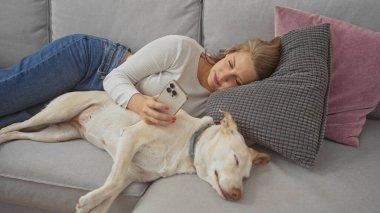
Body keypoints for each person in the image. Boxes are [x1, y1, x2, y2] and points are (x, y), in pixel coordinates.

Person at [0, 34, 281, 128]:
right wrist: (137, 102)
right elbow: (116, 77)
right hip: (92, 61)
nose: (224, 76)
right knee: (6, 95)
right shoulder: (182, 49)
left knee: (14, 119)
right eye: (230, 64)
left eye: (236, 80)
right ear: (230, 52)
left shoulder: (209, 106)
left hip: (93, 101)